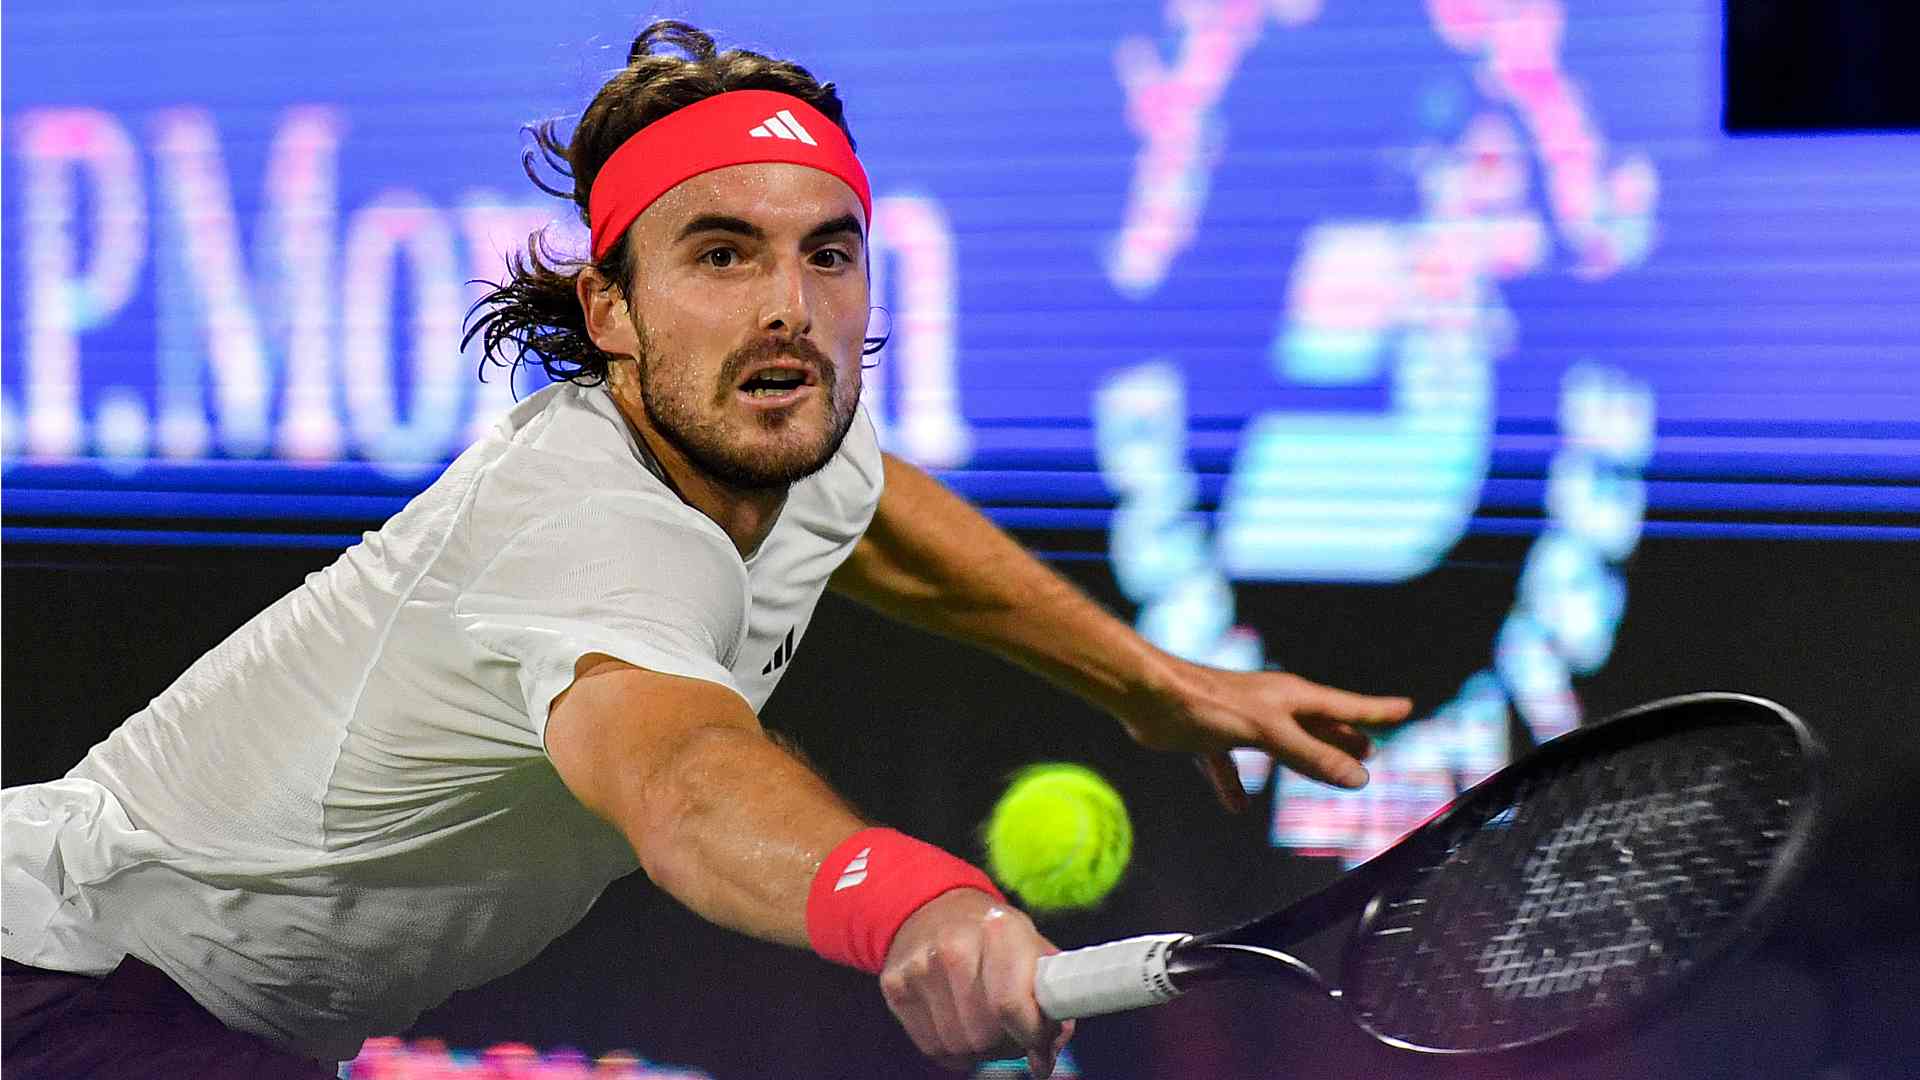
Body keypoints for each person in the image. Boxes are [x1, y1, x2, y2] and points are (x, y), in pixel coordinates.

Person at [0, 21, 1410, 1079]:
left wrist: (1145, 681)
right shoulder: (587, 527)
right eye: (723, 255)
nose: (788, 306)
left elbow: (879, 515)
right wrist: (912, 905)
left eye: (828, 253)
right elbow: (681, 780)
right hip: (66, 987)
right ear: (608, 309)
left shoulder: (782, 426)